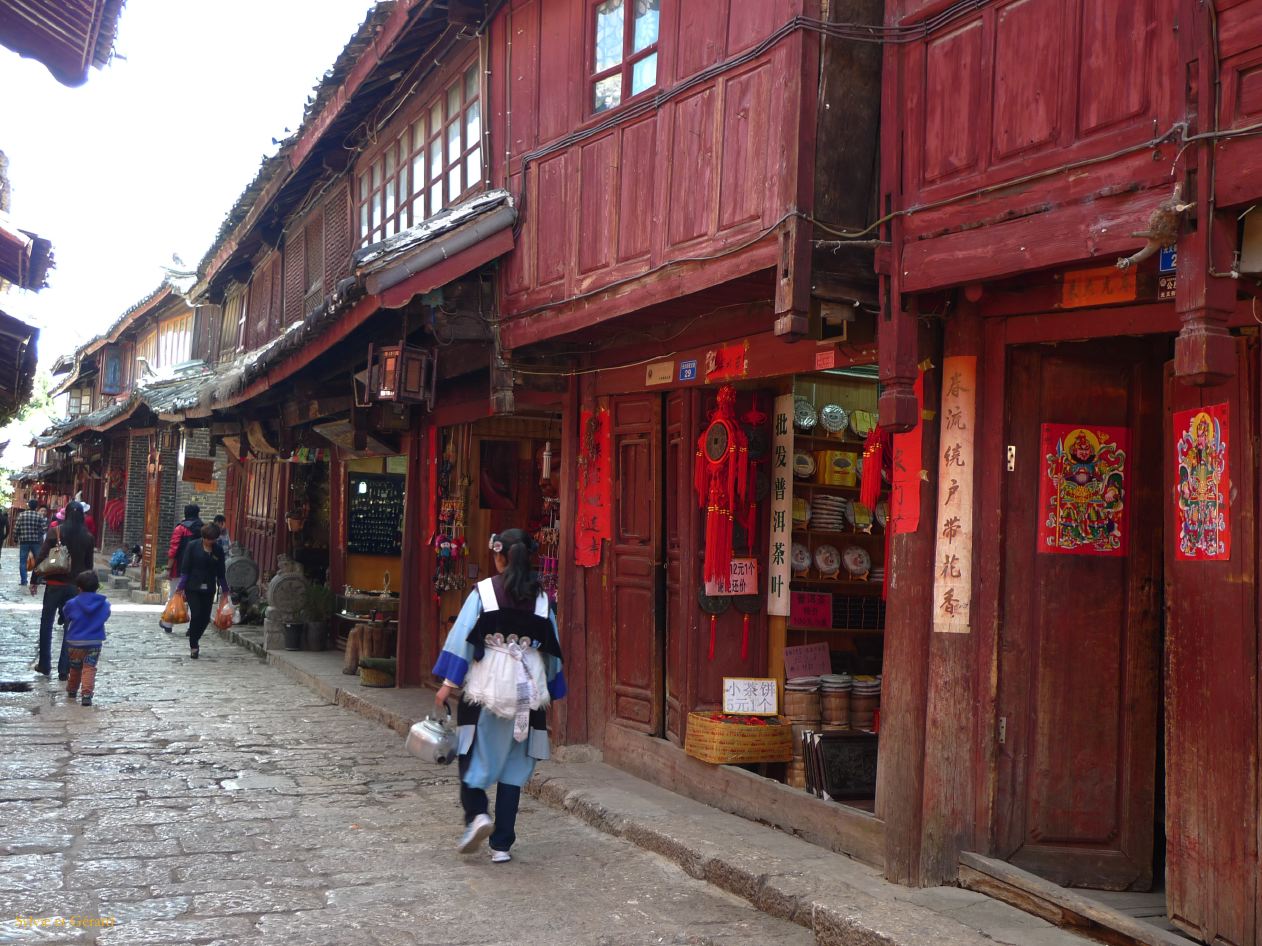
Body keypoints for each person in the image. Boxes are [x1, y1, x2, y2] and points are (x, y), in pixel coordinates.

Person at [433, 528, 565, 864]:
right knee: (513, 767)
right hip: (526, 694)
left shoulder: (484, 592)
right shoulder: (543, 600)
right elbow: (553, 651)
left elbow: (462, 636)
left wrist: (449, 682)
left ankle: (477, 814)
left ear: (500, 557)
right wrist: (553, 688)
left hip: (486, 691)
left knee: (470, 752)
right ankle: (502, 845)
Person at [30, 502, 95, 680]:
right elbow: (89, 566)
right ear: (82, 516)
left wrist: (34, 580)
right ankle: (64, 669)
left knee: (46, 623)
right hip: (76, 587)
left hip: (54, 584)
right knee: (70, 627)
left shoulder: (55, 532)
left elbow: (42, 557)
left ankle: (44, 664)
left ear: (65, 514)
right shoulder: (88, 537)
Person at [176, 523, 228, 660]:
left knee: (205, 618)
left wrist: (225, 590)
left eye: (214, 539)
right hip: (193, 586)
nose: (211, 541)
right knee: (197, 613)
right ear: (204, 537)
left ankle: (195, 636)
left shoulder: (218, 550)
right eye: (209, 539)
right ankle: (194, 645)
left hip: (209, 587)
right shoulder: (192, 546)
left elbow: (221, 571)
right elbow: (185, 567)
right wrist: (180, 587)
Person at [62, 570, 110, 706]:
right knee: (89, 667)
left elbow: (66, 615)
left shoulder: (72, 603)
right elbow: (106, 616)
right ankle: (86, 695)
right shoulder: (104, 604)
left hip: (75, 642)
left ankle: (72, 690)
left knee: (75, 667)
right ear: (97, 587)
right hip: (94, 642)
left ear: (79, 588)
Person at [163, 504, 203, 632]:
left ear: (185, 514)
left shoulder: (180, 529)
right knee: (194, 597)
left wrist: (168, 568)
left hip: (180, 567)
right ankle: (193, 627)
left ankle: (168, 623)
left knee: (174, 594)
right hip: (198, 568)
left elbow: (173, 550)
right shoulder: (204, 528)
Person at [15, 499, 45, 586]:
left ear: (28, 506)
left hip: (24, 541)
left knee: (23, 561)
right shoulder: (39, 516)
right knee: (38, 560)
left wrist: (16, 538)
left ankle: (24, 581)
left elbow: (16, 528)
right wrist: (38, 534)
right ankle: (38, 579)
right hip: (35, 541)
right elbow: (44, 529)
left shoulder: (21, 515)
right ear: (36, 507)